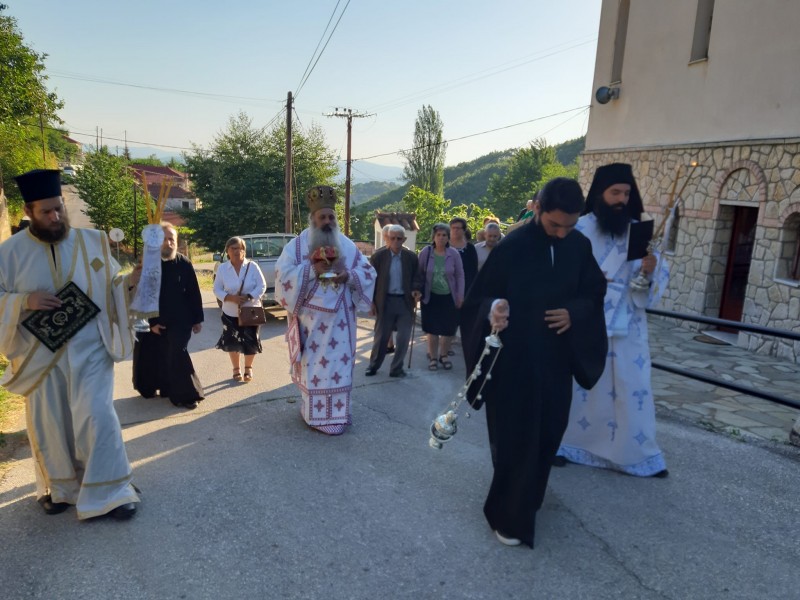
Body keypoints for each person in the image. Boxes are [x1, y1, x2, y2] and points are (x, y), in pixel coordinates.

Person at [461, 177, 608, 548]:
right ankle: (508, 517)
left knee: (547, 434)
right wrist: (495, 308)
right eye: (555, 224)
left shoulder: (579, 245)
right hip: (514, 364)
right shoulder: (512, 246)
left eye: (569, 226)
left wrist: (574, 313)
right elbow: (481, 298)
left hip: (556, 363)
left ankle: (528, 498)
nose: (561, 233)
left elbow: (593, 292)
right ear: (538, 208)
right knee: (515, 438)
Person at [0, 169, 139, 520]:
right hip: (39, 355)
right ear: (29, 211)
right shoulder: (9, 253)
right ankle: (61, 489)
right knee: (51, 422)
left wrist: (132, 282)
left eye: (59, 208)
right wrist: (24, 301)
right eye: (46, 211)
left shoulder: (93, 241)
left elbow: (113, 288)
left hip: (90, 347)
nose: (55, 216)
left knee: (97, 415)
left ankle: (113, 491)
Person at [556, 163, 669, 477]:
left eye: (626, 193)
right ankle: (567, 444)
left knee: (632, 387)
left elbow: (648, 285)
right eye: (615, 192)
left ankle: (635, 454)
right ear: (600, 194)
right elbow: (562, 275)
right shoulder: (579, 229)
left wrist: (649, 270)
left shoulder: (639, 232)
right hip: (587, 323)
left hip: (627, 327)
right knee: (583, 388)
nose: (621, 199)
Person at [275, 185, 376, 435]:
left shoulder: (347, 246)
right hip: (311, 326)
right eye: (323, 217)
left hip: (341, 323)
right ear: (313, 219)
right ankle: (314, 416)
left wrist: (348, 276)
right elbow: (282, 277)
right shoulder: (296, 247)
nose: (328, 221)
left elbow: (368, 273)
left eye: (331, 216)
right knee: (315, 370)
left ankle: (338, 416)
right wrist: (311, 270)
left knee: (339, 368)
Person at [131, 223, 205, 409]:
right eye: (164, 239)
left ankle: (187, 395)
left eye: (172, 239)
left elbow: (193, 293)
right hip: (156, 318)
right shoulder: (149, 265)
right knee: (155, 353)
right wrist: (152, 323)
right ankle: (162, 387)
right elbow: (144, 295)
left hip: (181, 320)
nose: (169, 242)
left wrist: (197, 319)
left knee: (177, 352)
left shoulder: (184, 263)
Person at [365, 224, 422, 378]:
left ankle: (396, 368)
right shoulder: (378, 257)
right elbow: (370, 281)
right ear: (387, 239)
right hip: (385, 301)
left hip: (405, 302)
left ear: (404, 239)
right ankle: (373, 366)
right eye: (392, 238)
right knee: (381, 338)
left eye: (399, 238)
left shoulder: (411, 257)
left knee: (403, 338)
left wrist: (416, 289)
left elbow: (417, 277)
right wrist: (371, 302)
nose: (396, 241)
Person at [214, 236, 267, 383]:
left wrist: (249, 296)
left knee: (251, 339)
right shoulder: (223, 269)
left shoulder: (252, 266)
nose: (237, 251)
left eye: (240, 248)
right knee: (232, 340)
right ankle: (236, 369)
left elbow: (262, 285)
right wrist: (230, 298)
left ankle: (248, 368)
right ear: (228, 251)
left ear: (244, 251)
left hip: (250, 310)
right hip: (230, 311)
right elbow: (217, 289)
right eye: (234, 248)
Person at [418, 223, 464, 371]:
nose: (441, 238)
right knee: (432, 329)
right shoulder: (426, 252)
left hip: (448, 297)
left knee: (448, 329)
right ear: (433, 237)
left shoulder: (454, 254)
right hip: (430, 297)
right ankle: (433, 357)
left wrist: (460, 296)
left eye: (444, 235)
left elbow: (460, 275)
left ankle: (444, 356)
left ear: (448, 237)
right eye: (438, 235)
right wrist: (417, 291)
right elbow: (419, 273)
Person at [448, 217, 478, 295]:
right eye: (453, 228)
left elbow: (473, 269)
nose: (455, 230)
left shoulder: (470, 248)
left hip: (465, 286)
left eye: (458, 228)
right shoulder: (444, 246)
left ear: (464, 230)